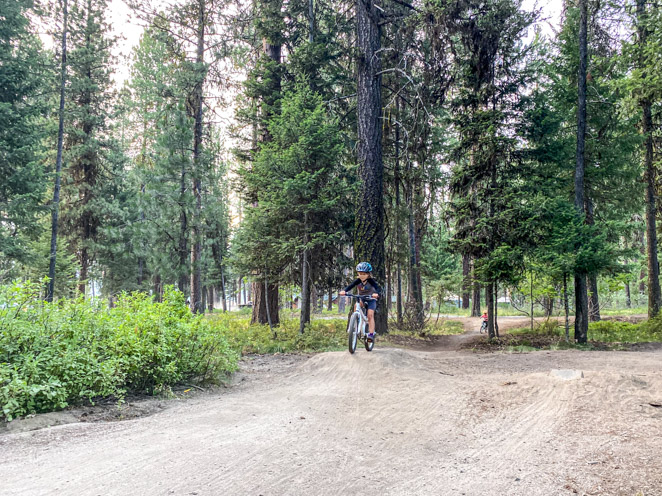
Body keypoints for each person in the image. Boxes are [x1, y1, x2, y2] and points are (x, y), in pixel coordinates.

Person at [339, 262, 382, 342]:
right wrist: (344, 291)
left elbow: (378, 288)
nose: (362, 276)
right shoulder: (358, 281)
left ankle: (371, 334)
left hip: (371, 299)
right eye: (360, 273)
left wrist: (376, 294)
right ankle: (355, 321)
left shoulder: (371, 281)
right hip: (362, 298)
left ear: (368, 274)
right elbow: (350, 286)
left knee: (370, 315)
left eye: (364, 274)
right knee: (356, 306)